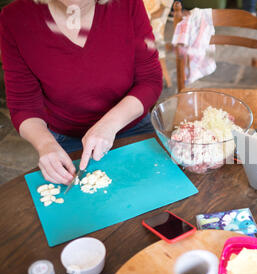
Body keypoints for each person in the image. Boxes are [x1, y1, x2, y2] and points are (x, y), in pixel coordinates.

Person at [0, 0, 163, 185]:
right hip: (67, 140)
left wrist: (108, 124)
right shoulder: (14, 18)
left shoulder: (128, 4)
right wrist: (45, 145)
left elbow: (150, 80)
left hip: (132, 127)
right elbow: (23, 105)